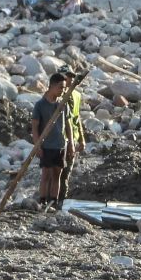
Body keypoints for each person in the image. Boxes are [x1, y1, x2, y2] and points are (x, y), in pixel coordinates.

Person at [32, 73, 74, 211]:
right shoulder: (40, 105)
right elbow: (35, 126)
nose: (63, 90)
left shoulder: (63, 104)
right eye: (61, 87)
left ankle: (54, 202)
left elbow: (68, 125)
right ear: (53, 86)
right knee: (46, 174)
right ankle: (43, 200)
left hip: (60, 144)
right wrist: (37, 145)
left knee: (57, 174)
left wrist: (71, 144)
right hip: (47, 145)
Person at [57, 65, 85, 209]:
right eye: (68, 76)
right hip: (59, 139)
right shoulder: (57, 95)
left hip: (72, 137)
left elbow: (76, 117)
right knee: (56, 172)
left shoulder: (76, 95)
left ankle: (61, 201)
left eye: (72, 76)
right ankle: (52, 200)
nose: (70, 79)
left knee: (66, 173)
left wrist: (81, 138)